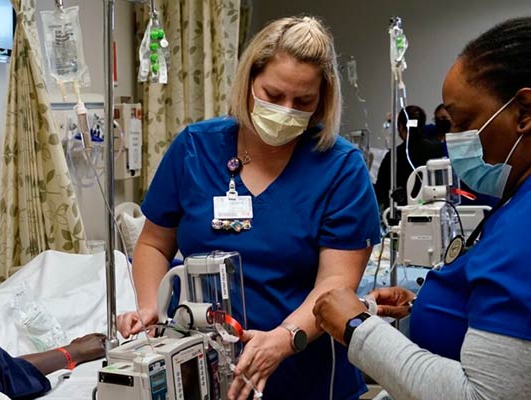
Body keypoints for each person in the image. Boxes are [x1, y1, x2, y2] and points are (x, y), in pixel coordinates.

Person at [312, 16, 531, 399]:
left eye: (462, 121)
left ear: (525, 112)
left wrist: (355, 328)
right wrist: (440, 304)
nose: (451, 140)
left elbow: (486, 396)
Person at [115, 16, 381, 400]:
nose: (287, 110)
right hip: (202, 369)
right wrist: (148, 307)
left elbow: (335, 285)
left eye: (303, 101)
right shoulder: (194, 148)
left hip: (305, 375)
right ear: (249, 83)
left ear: (322, 99)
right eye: (273, 95)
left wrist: (285, 338)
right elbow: (155, 243)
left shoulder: (340, 168)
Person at [374, 105, 447, 210]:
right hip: (434, 211)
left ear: (400, 126)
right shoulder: (438, 149)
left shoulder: (394, 155)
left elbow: (380, 192)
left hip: (402, 215)